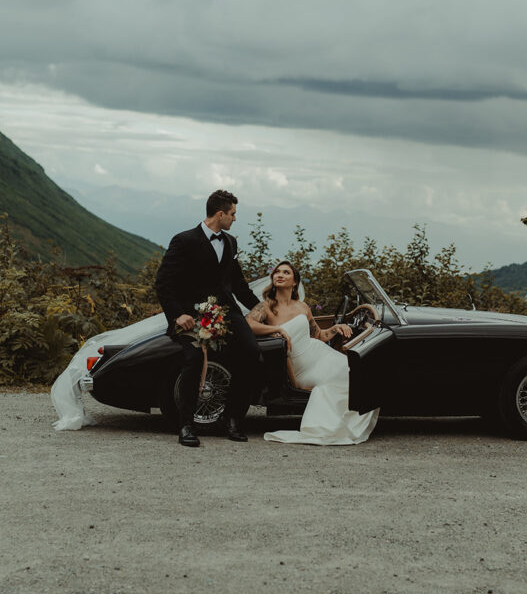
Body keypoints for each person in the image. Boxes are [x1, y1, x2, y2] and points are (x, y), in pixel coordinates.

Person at [155, 190, 262, 447]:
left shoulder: (231, 242)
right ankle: (186, 425)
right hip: (190, 315)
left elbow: (238, 283)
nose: (235, 219)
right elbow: (163, 283)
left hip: (226, 312)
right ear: (220, 214)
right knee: (192, 359)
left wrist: (263, 307)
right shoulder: (183, 241)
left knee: (251, 353)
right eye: (233, 214)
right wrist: (178, 315)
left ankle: (232, 417)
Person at [247, 261, 380, 446]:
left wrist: (336, 328)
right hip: (301, 367)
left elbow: (318, 335)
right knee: (348, 378)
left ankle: (349, 419)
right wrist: (275, 329)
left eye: (286, 272)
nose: (280, 275)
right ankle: (338, 427)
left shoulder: (302, 307)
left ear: (295, 282)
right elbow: (249, 324)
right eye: (277, 272)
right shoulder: (267, 306)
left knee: (358, 373)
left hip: (319, 354)